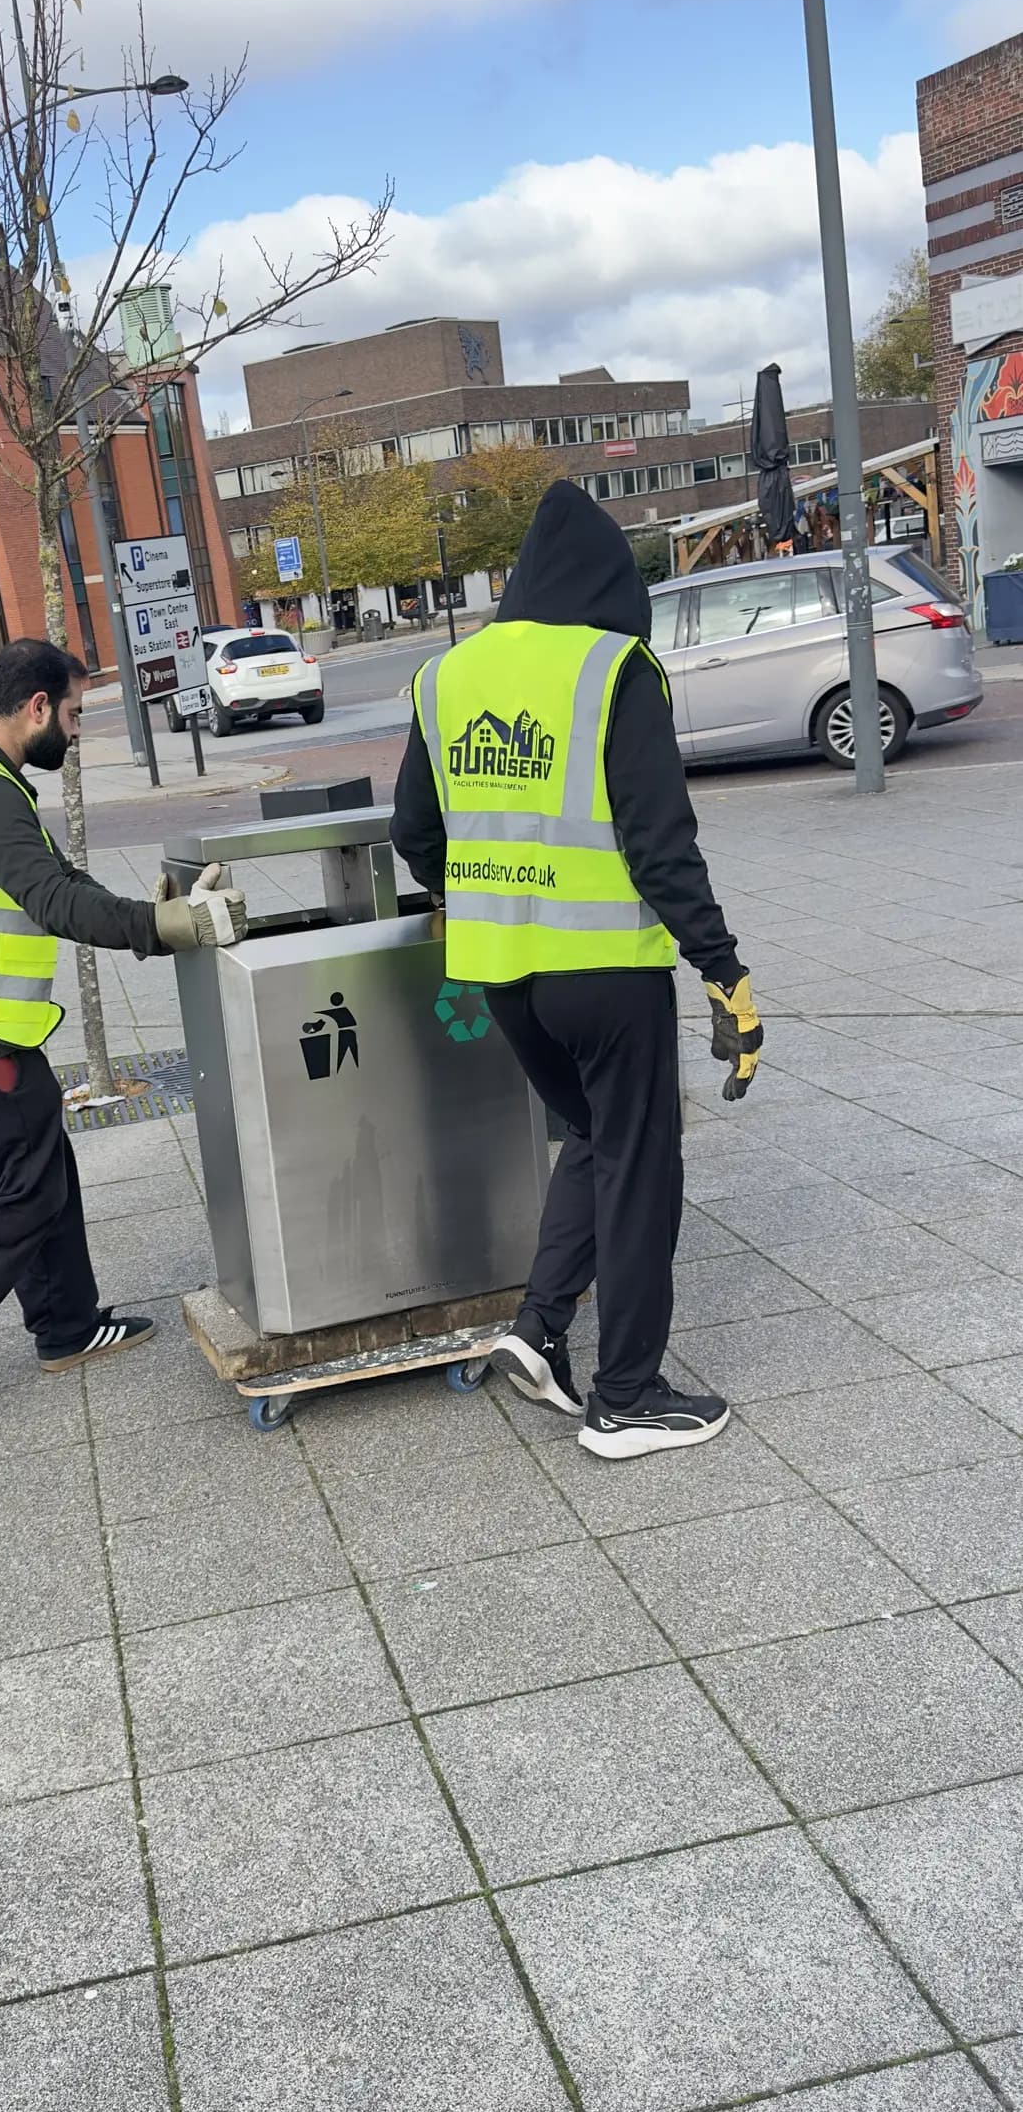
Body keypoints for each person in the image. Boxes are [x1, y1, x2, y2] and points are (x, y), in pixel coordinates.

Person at [393, 482, 762, 1461]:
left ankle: (538, 1325)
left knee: (595, 1134)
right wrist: (722, 968)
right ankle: (628, 1395)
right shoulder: (615, 668)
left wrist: (486, 888)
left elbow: (413, 835)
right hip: (605, 971)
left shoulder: (446, 675)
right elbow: (660, 843)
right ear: (609, 583)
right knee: (643, 1162)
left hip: (503, 975)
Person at [0, 636, 246, 1440]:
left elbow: (59, 881)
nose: (76, 729)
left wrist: (147, 906)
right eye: (72, 714)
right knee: (25, 1193)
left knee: (43, 1165)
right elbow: (53, 902)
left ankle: (67, 1326)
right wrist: (169, 928)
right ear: (35, 709)